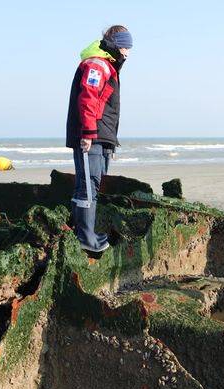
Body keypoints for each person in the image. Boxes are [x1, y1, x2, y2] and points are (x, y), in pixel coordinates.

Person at [66, 25, 133, 253]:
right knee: (89, 186)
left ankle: (81, 232)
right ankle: (86, 238)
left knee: (91, 184)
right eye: (125, 47)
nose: (128, 53)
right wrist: (88, 134)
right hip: (91, 135)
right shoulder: (98, 65)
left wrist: (110, 141)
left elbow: (108, 107)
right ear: (116, 44)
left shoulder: (109, 66)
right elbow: (88, 99)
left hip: (102, 136)